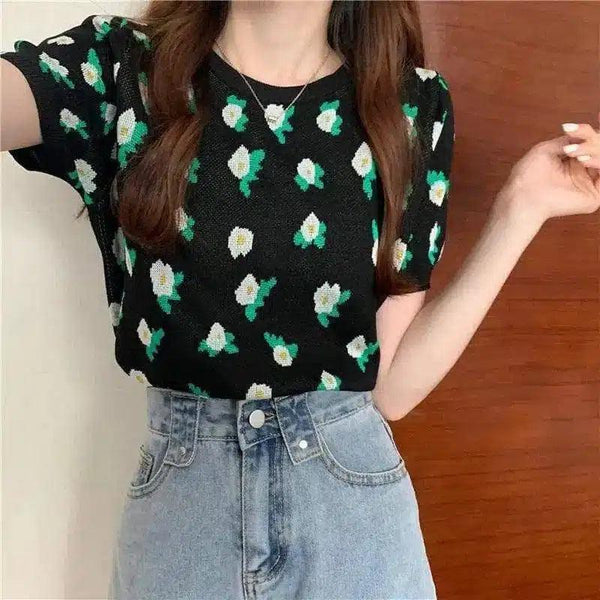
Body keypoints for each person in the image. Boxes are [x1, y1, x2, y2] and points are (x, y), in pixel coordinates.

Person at [1, 1, 599, 599]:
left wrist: (522, 209)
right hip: (185, 515)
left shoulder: (410, 105)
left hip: (352, 515)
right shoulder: (121, 69)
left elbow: (392, 388)